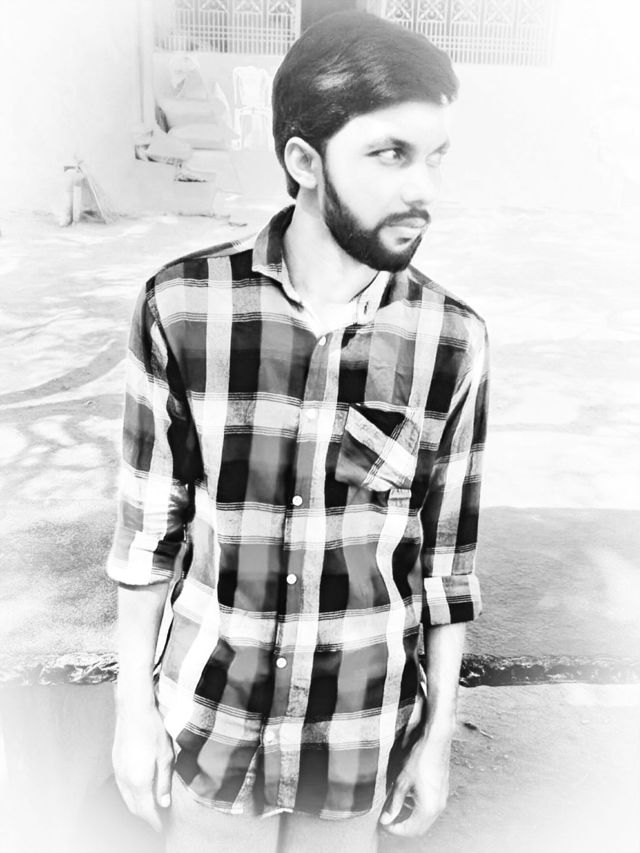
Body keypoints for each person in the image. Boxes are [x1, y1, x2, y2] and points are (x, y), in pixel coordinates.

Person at [107, 11, 489, 853]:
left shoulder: (451, 338)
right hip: (209, 724)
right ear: (305, 162)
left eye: (435, 157)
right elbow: (146, 535)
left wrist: (436, 742)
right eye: (390, 154)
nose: (423, 188)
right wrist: (132, 712)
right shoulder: (183, 307)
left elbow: (446, 569)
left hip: (358, 734)